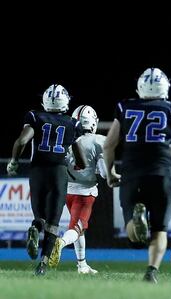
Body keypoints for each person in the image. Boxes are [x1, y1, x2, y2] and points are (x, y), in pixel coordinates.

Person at [102, 67, 171, 283]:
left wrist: (110, 173)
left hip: (131, 172)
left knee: (133, 235)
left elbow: (109, 144)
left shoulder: (125, 106)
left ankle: (136, 219)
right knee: (159, 229)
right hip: (161, 173)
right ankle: (151, 271)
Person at [6, 84, 85, 276]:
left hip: (38, 171)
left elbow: (22, 141)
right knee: (53, 222)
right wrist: (78, 165)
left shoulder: (36, 117)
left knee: (40, 216)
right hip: (58, 173)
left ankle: (35, 227)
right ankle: (42, 265)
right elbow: (79, 157)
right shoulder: (72, 123)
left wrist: (14, 161)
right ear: (65, 101)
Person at [50, 105, 107, 274]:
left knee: (77, 227)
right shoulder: (98, 140)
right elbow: (104, 173)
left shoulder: (66, 138)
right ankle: (60, 242)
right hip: (84, 192)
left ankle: (82, 265)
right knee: (78, 227)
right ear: (93, 122)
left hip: (66, 190)